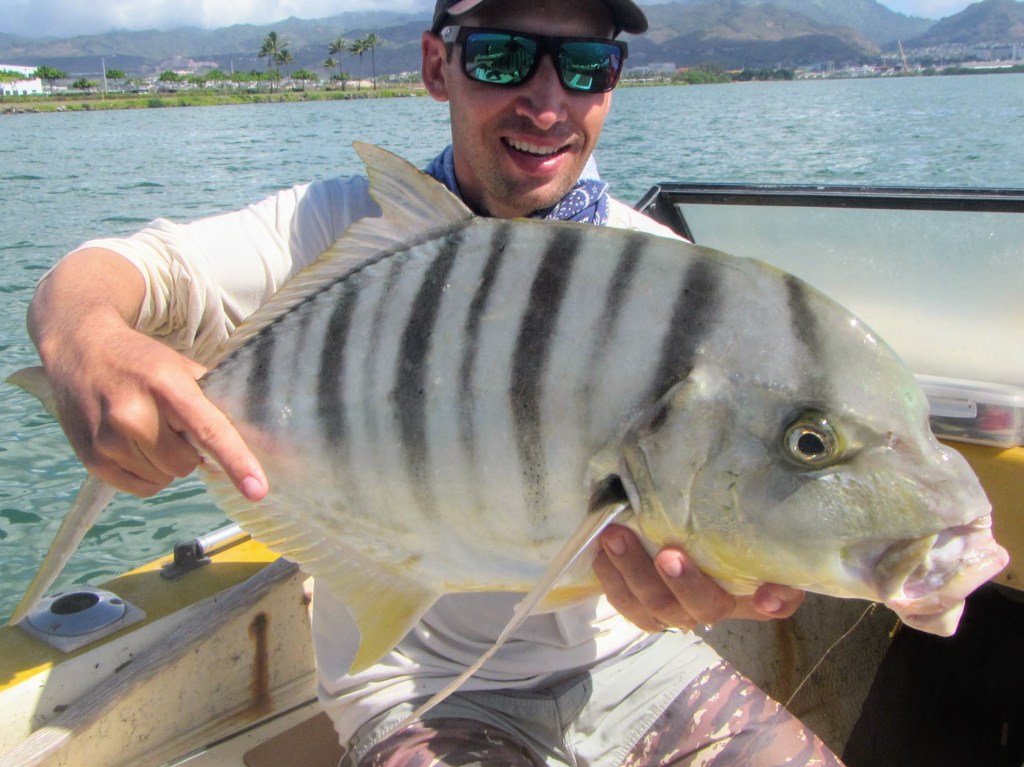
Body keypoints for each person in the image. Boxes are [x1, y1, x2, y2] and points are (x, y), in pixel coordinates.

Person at [25, 0, 843, 764]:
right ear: (435, 65)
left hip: (637, 662)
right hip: (422, 692)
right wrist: (90, 342)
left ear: (613, 84)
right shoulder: (337, 227)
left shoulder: (655, 276)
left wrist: (724, 576)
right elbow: (111, 271)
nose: (548, 103)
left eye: (586, 65)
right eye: (504, 58)